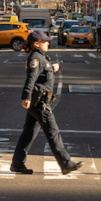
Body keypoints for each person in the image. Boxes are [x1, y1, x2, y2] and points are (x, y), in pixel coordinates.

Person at [10, 31, 83, 176]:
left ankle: (17, 164)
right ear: (36, 44)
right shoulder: (36, 59)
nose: (48, 43)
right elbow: (31, 79)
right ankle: (66, 163)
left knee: (29, 133)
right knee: (52, 132)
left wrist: (55, 68)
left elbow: (44, 75)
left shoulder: (41, 58)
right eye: (45, 41)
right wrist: (27, 97)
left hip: (38, 101)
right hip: (39, 102)